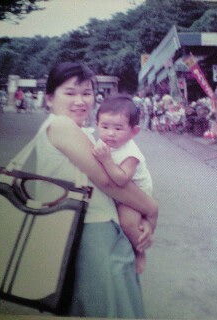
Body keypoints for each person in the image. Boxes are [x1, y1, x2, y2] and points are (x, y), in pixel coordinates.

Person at [35, 61, 158, 318]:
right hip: (93, 231)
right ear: (49, 98)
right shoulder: (61, 125)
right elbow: (108, 181)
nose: (80, 101)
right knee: (111, 305)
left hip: (89, 228)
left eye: (86, 93)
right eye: (70, 93)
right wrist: (150, 208)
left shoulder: (77, 130)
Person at [93, 94, 155, 274]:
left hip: (135, 194)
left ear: (134, 131)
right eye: (104, 127)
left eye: (118, 128)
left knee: (127, 223)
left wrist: (106, 161)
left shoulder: (131, 152)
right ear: (97, 125)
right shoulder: (103, 142)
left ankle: (140, 251)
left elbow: (121, 179)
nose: (110, 133)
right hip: (119, 191)